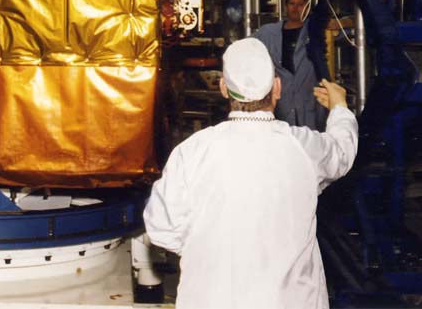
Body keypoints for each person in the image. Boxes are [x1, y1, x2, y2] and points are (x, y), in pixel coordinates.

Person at [144, 37, 358, 309]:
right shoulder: (303, 148)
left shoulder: (192, 152)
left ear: (223, 88)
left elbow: (161, 229)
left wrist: (208, 249)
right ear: (277, 88)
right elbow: (342, 151)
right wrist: (339, 108)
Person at [255, 0, 328, 129]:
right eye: (292, 4)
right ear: (286, 6)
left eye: (300, 4)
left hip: (309, 102)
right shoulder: (269, 32)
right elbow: (247, 47)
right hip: (282, 102)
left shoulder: (314, 32)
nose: (296, 8)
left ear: (306, 8)